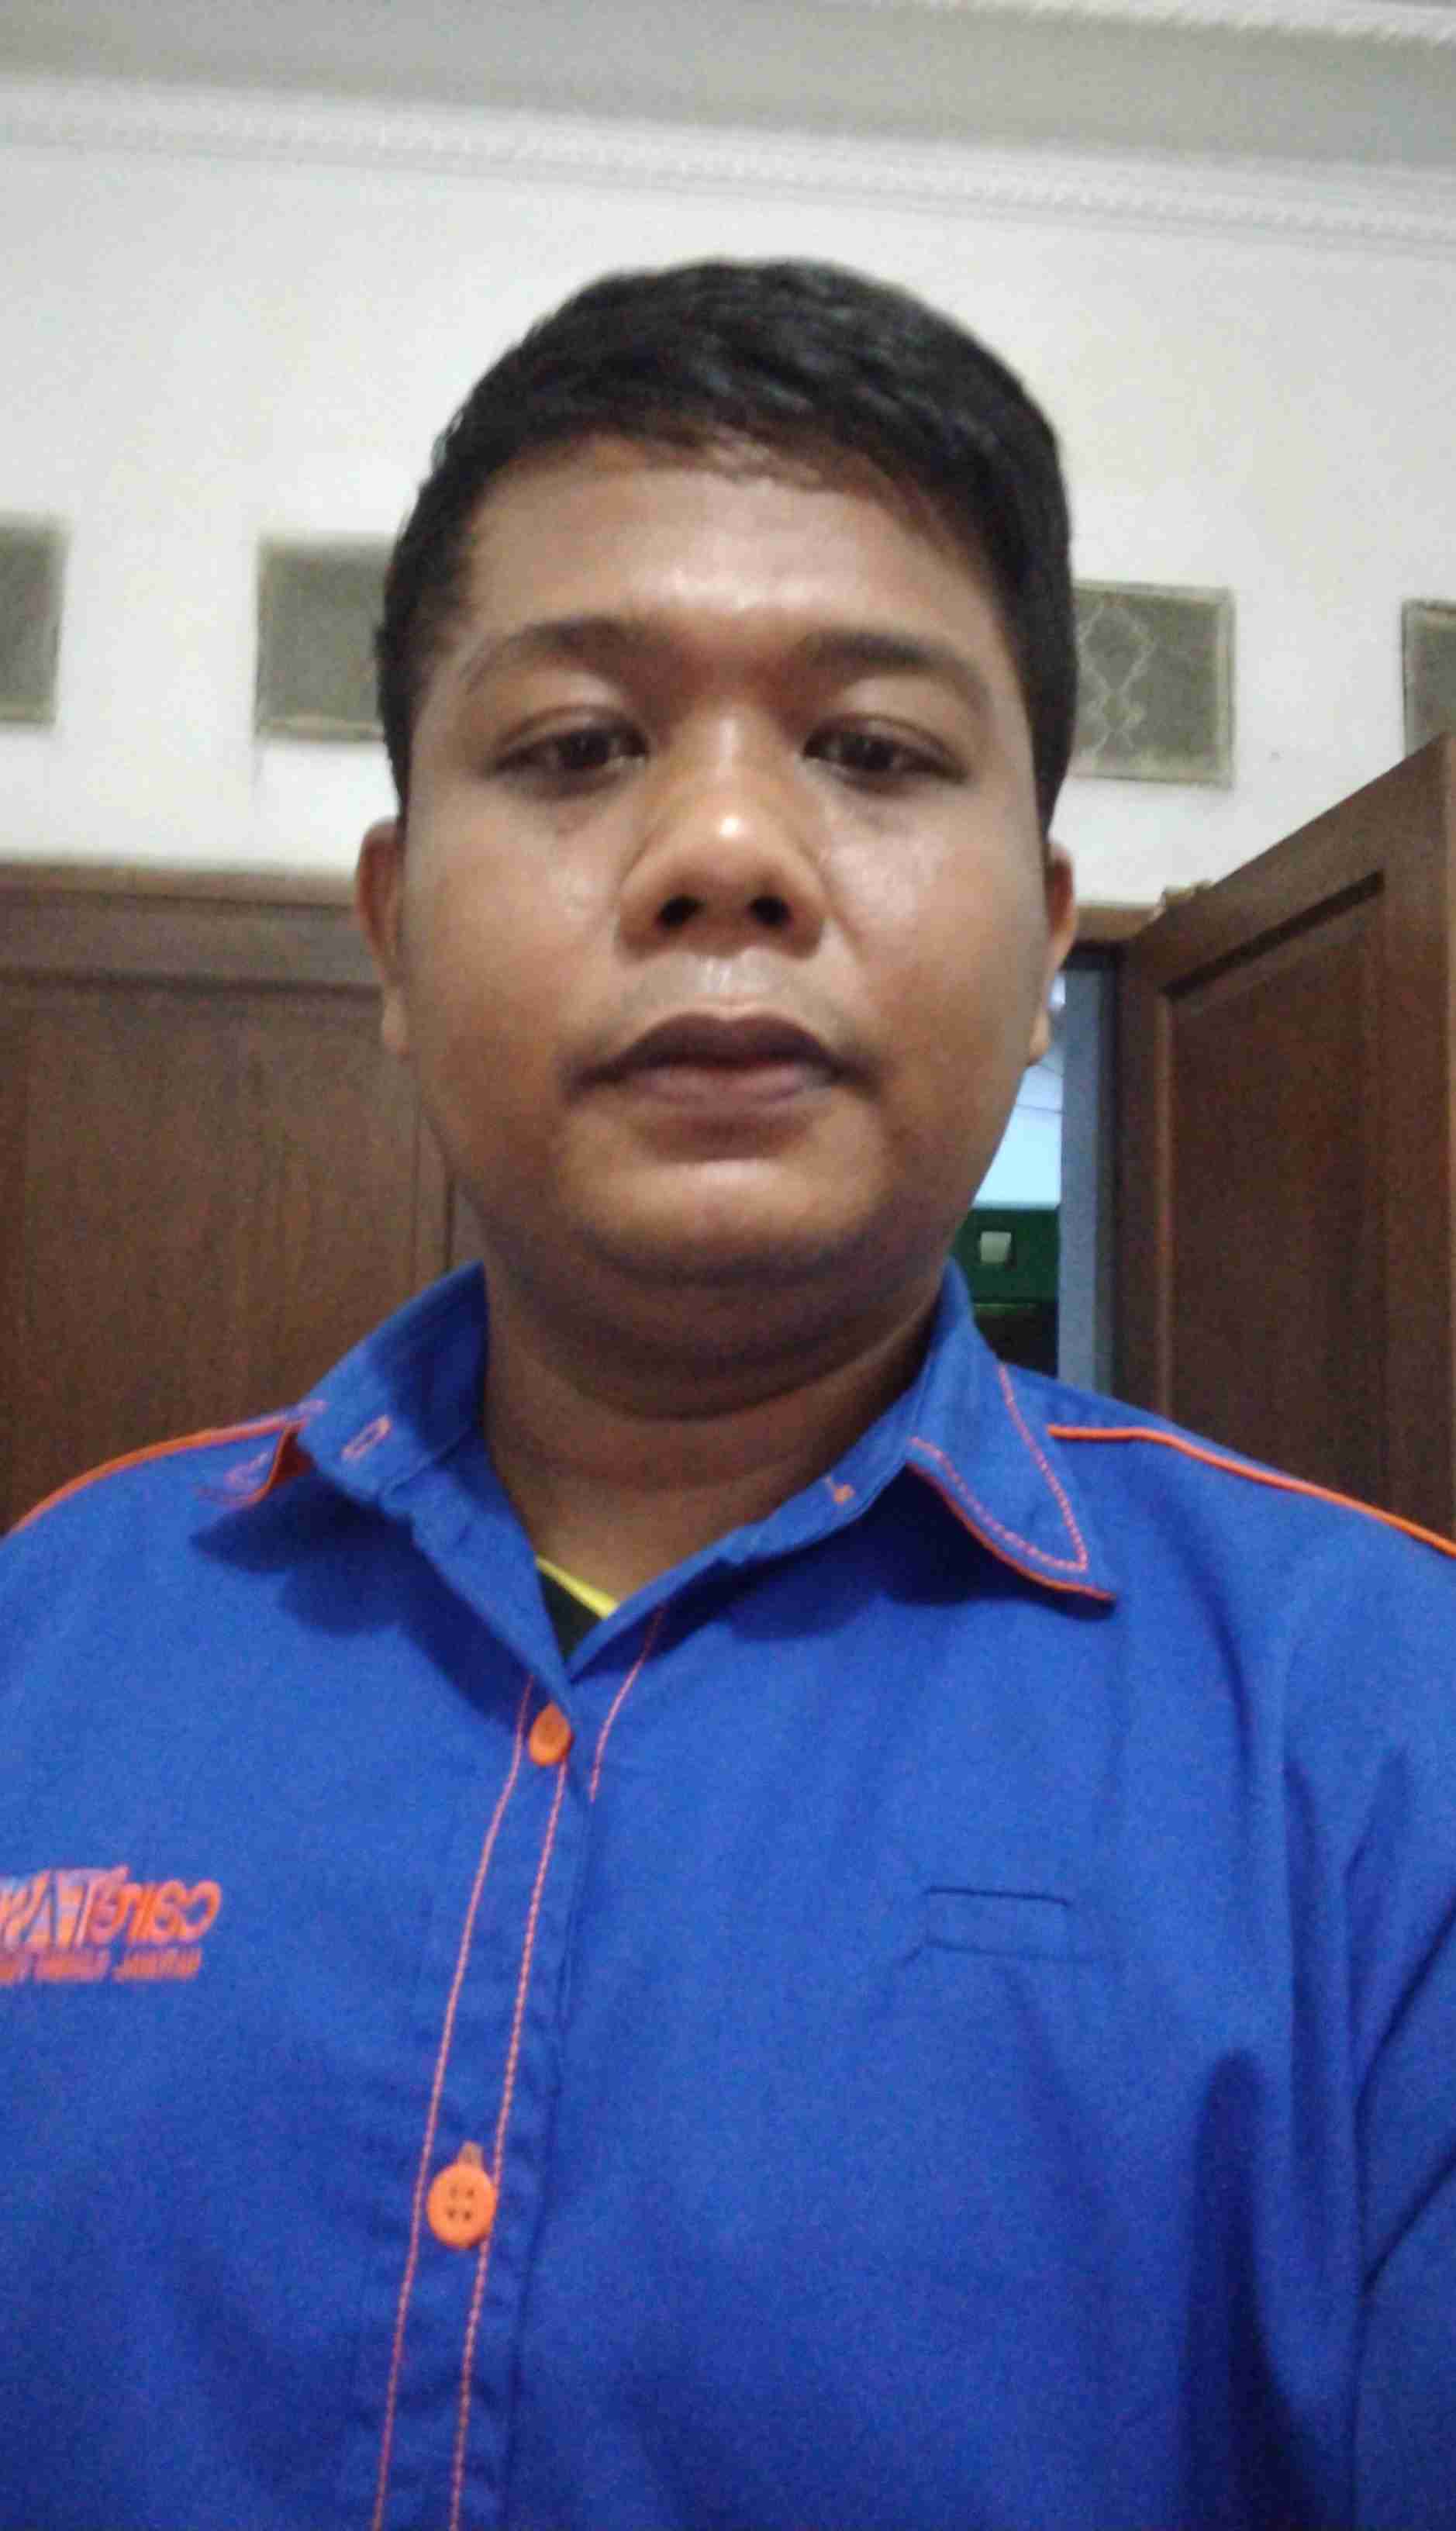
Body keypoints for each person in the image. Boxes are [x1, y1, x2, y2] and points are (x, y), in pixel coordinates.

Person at [2, 259, 1453, 2531]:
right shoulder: (45, 1639)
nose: (724, 858)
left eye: (870, 751)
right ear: (391, 932)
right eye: (580, 747)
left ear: (1044, 935)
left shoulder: (1385, 1746)